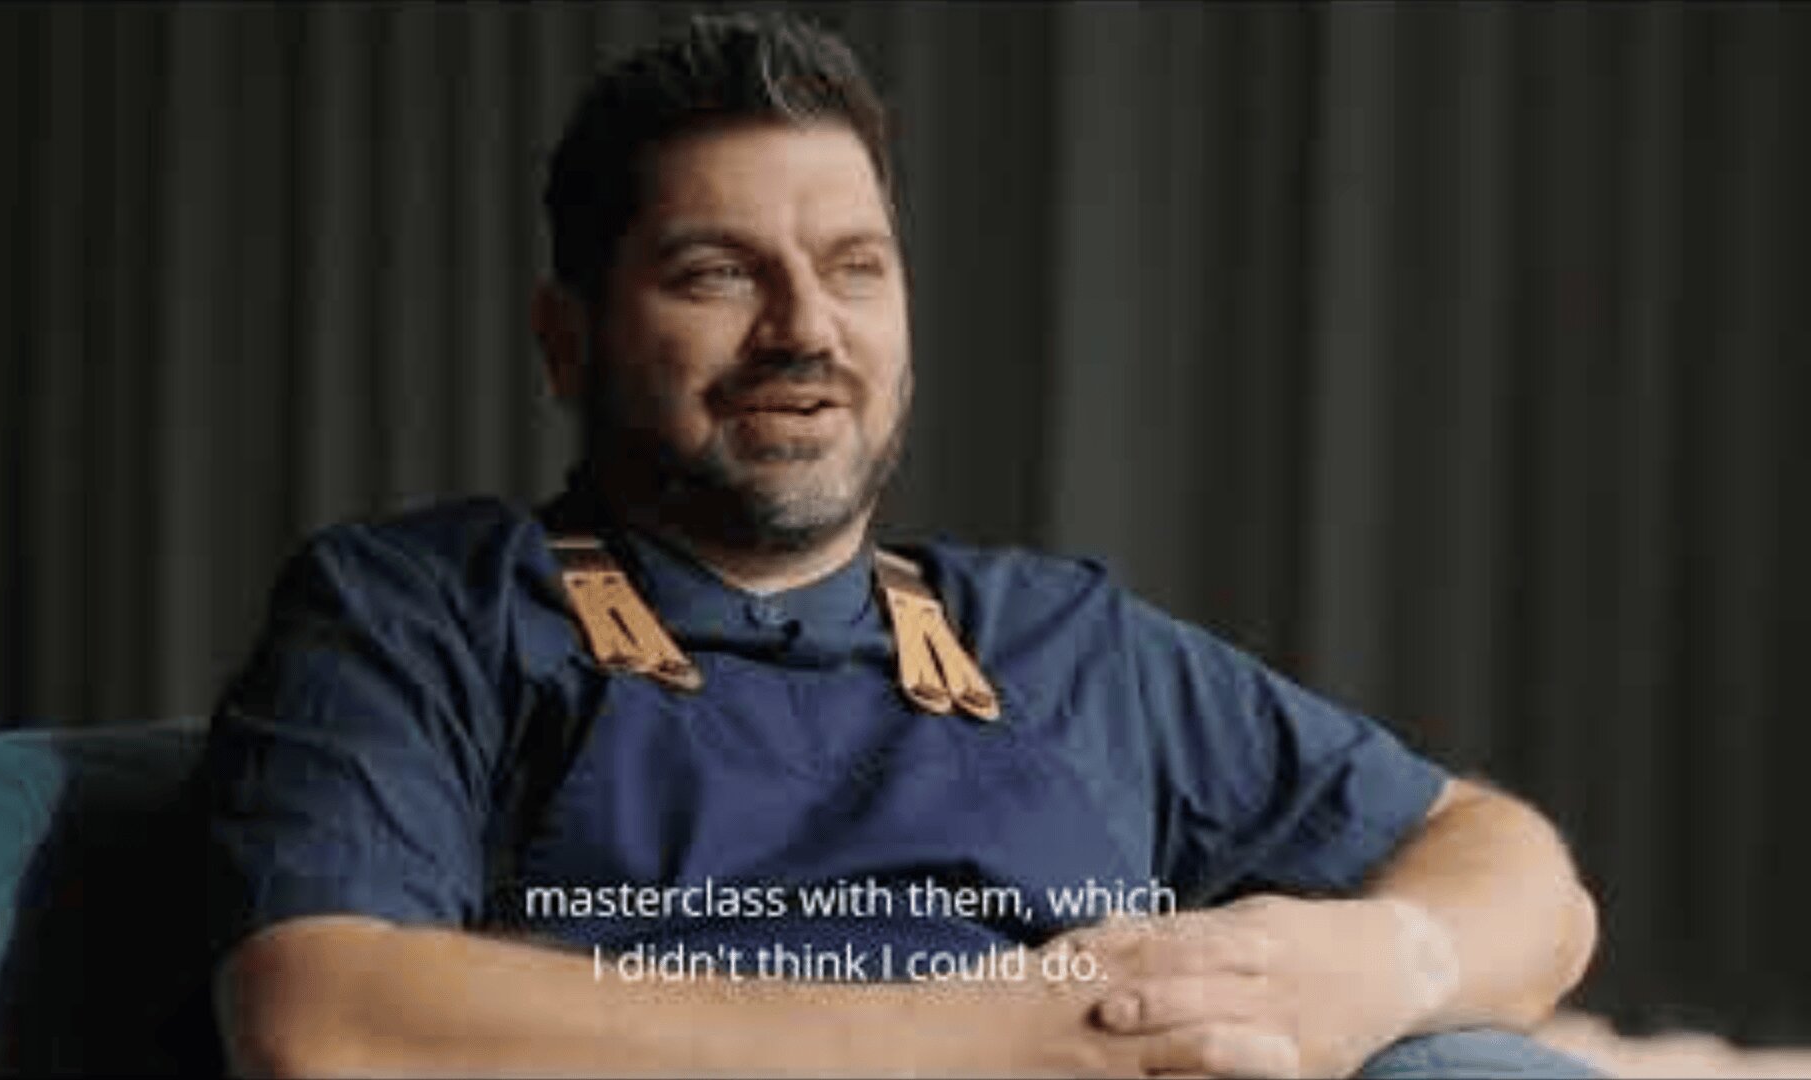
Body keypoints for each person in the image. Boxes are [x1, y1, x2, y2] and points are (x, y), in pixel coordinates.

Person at [202, 13, 1602, 1078]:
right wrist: (994, 1035)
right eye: (716, 273)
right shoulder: (420, 610)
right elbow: (325, 1016)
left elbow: (1518, 877)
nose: (805, 329)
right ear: (567, 338)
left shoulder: (1057, 638)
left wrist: (1365, 964)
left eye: (854, 267)